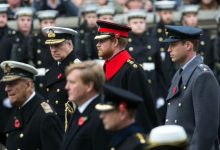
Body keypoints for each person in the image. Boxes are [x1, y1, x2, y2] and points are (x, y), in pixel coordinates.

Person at [95, 20, 159, 133]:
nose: (97, 44)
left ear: (115, 42)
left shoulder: (132, 71)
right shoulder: (107, 67)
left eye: (102, 41)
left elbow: (140, 113)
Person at [164, 25, 220, 150]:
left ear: (188, 45)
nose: (168, 50)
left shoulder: (202, 76)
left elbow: (206, 128)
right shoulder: (180, 74)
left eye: (173, 45)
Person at [1, 60, 63, 150]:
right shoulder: (19, 108)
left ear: (28, 85)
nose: (7, 89)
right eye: (6, 84)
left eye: (12, 84)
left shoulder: (46, 117)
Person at [126, 9, 167, 123]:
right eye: (135, 22)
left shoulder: (153, 41)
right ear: (129, 24)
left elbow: (160, 71)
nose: (138, 25)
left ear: (146, 24)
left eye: (141, 22)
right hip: (133, 87)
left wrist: (161, 94)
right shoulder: (125, 43)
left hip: (152, 87)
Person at [60, 60, 109, 150]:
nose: (66, 87)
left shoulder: (101, 118)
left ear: (89, 86)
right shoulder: (80, 111)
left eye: (72, 82)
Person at [42, 26, 80, 128]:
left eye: (57, 45)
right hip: (54, 124)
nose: (53, 50)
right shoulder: (54, 68)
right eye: (51, 46)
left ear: (69, 44)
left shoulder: (78, 69)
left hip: (69, 125)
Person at [96, 84, 147, 150]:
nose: (101, 116)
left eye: (106, 112)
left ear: (122, 113)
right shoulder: (117, 138)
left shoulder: (137, 145)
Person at [31, 10, 58, 97]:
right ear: (40, 25)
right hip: (39, 81)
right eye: (45, 23)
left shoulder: (60, 41)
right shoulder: (33, 40)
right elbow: (26, 59)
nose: (49, 26)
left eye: (51, 22)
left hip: (55, 79)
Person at [151, 0, 177, 91]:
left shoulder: (178, 29)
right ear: (159, 14)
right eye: (165, 13)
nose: (168, 16)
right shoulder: (154, 31)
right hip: (161, 71)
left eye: (170, 13)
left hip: (175, 67)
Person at [181, 5, 213, 69]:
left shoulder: (205, 35)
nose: (192, 19)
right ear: (183, 18)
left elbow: (209, 58)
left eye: (194, 16)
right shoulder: (179, 36)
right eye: (189, 16)